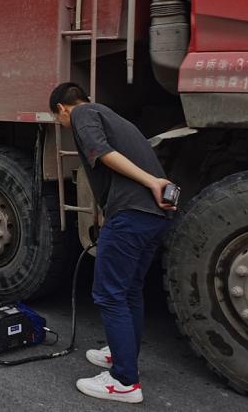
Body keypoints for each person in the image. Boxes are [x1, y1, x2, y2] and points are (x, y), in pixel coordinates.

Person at [49, 82, 177, 404]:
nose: (62, 124)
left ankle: (124, 381)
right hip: (151, 218)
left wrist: (152, 184)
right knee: (130, 289)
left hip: (132, 215)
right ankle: (123, 355)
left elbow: (103, 154)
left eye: (58, 119)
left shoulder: (82, 115)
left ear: (62, 109)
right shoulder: (113, 116)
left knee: (108, 293)